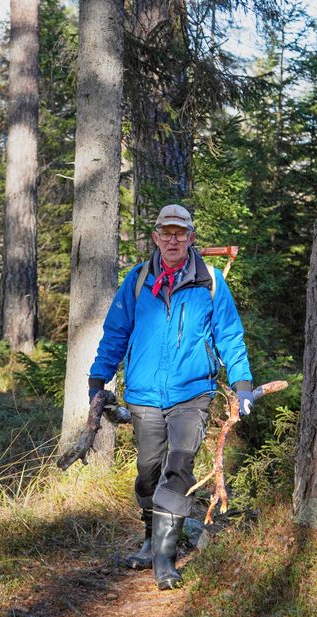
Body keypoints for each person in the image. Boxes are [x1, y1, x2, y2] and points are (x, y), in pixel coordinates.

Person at [88, 203, 255, 590]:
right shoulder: (137, 280)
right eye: (167, 232)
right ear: (156, 237)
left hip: (192, 393)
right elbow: (115, 333)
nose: (174, 239)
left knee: (177, 469)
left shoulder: (210, 281)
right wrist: (99, 378)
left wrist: (243, 382)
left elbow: (229, 335)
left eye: (181, 233)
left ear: (191, 238)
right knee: (148, 474)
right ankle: (150, 540)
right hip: (145, 395)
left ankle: (165, 559)